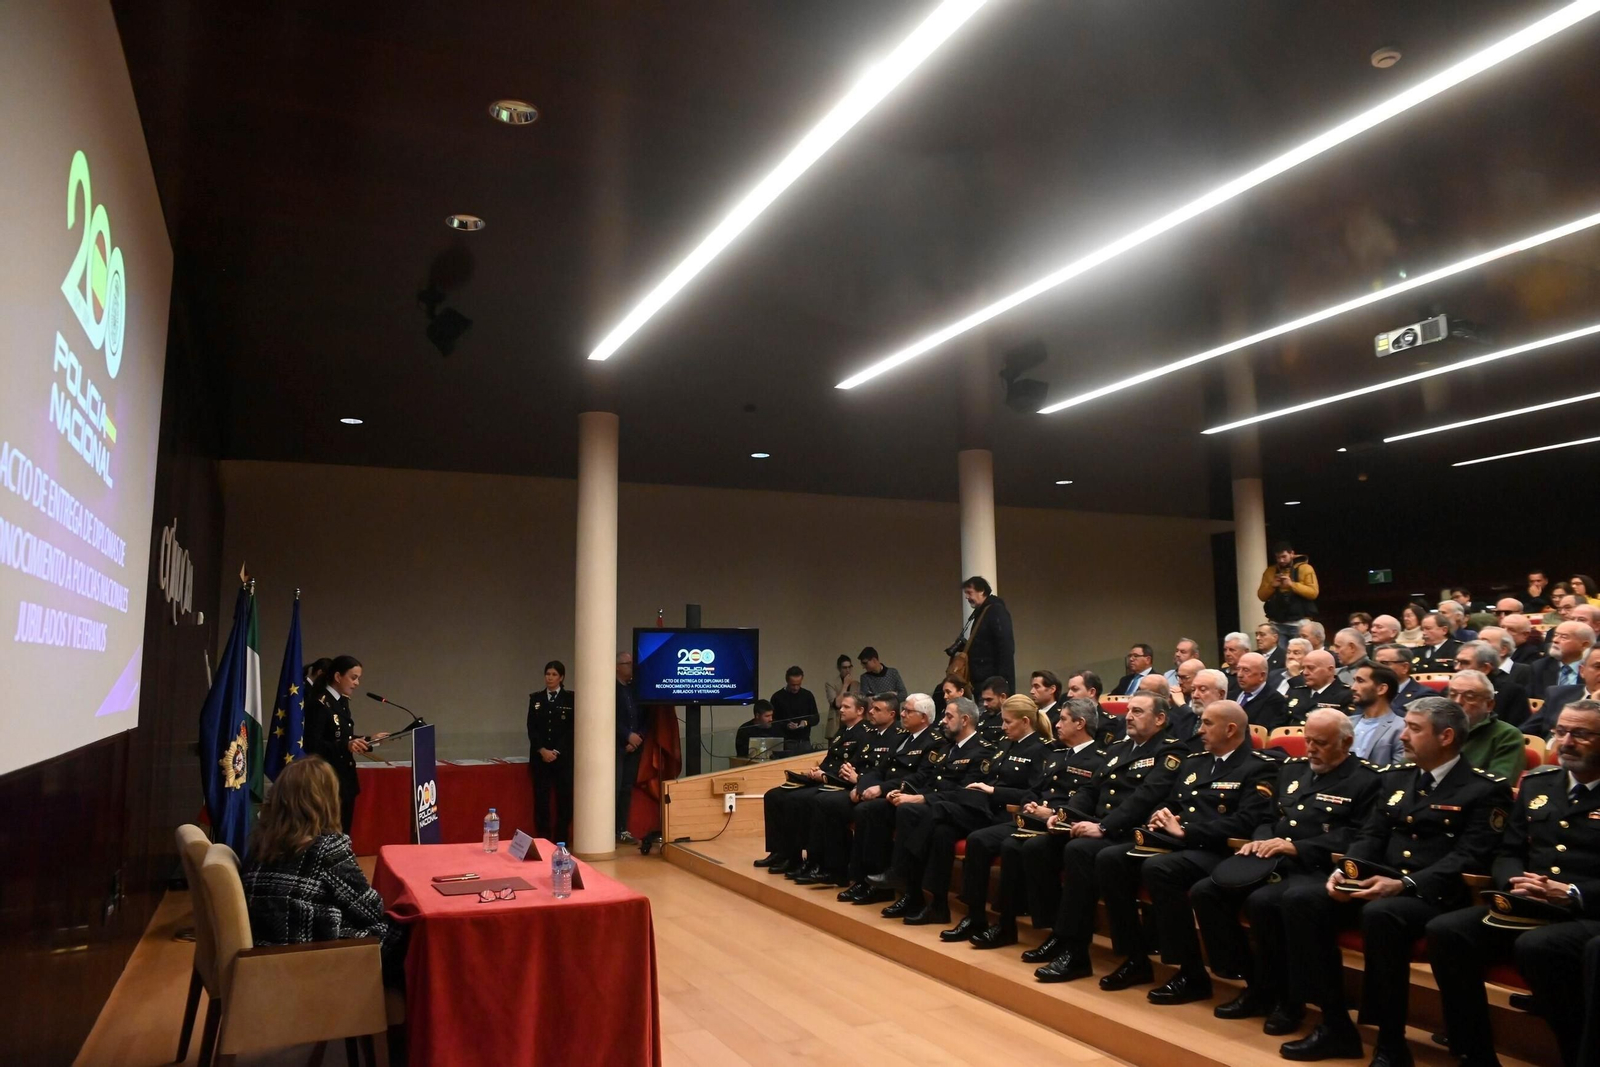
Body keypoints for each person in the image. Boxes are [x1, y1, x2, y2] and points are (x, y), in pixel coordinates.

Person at [1277, 698, 1512, 1064]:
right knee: (1301, 901)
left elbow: (1469, 856)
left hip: (1434, 893)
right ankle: (1335, 1026)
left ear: (1446, 736)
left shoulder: (1483, 788)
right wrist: (1348, 871)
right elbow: (1371, 835)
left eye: (1414, 729)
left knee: (1382, 917)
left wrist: (1406, 885)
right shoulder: (1396, 778)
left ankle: (1390, 1043)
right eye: (1405, 727)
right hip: (1381, 885)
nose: (1403, 736)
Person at [1426, 699, 1600, 1067]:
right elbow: (1508, 850)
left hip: (1586, 911)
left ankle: (1575, 1054)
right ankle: (1474, 1051)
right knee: (1447, 931)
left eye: (1581, 734)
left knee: (1539, 946)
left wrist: (1571, 892)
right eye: (1561, 732)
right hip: (1528, 901)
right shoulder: (1541, 783)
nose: (1567, 742)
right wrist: (1514, 882)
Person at [1191, 709, 1380, 1032]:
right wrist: (1262, 840)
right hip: (1275, 859)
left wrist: (1298, 847)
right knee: (1207, 891)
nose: (1310, 749)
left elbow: (1360, 834)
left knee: (1266, 902)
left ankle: (1290, 1000)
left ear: (1346, 742)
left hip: (1320, 867)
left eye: (1320, 743)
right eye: (1307, 740)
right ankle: (1254, 982)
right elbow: (1267, 818)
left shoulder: (1366, 779)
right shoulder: (1293, 770)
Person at [1095, 700, 1279, 1003]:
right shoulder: (1196, 762)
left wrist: (1187, 830)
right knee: (1112, 858)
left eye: (1207, 723)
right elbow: (1178, 802)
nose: (1199, 729)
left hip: (1221, 849)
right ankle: (1135, 957)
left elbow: (1249, 820)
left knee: (1161, 869)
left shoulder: (1258, 767)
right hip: (1184, 843)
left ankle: (1191, 972)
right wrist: (1165, 815)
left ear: (1231, 729)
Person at [1031, 692, 1189, 981]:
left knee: (1089, 853)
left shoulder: (1170, 752)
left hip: (1139, 833)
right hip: (1109, 828)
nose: (1128, 716)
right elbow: (1091, 789)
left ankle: (1109, 955)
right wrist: (1064, 815)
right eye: (1128, 710)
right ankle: (1064, 939)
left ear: (1160, 719)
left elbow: (1146, 797)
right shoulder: (1119, 748)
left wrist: (1103, 828)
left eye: (1138, 711)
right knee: (1046, 843)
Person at [243, 757, 408, 987]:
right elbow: (371, 911)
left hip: (268, 957)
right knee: (412, 935)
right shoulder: (326, 849)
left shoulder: (260, 843)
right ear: (327, 801)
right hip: (313, 961)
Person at [962, 697, 1107, 949]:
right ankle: (995, 922)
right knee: (980, 839)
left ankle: (1045, 929)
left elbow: (1089, 801)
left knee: (1016, 847)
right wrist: (1031, 804)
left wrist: (1051, 811)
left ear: (1080, 723)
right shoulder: (1059, 754)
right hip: (1035, 818)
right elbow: (1035, 789)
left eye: (1063, 719)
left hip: (1062, 823)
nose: (1056, 724)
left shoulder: (1099, 759)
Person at [868, 697, 996, 925]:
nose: (943, 721)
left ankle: (900, 872)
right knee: (940, 833)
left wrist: (921, 798)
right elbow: (931, 781)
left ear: (965, 720)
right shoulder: (948, 748)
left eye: (949, 716)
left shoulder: (983, 751)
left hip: (969, 812)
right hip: (943, 812)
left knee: (912, 811)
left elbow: (964, 793)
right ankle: (933, 904)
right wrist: (903, 791)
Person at [839, 694, 942, 904]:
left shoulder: (934, 741)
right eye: (903, 710)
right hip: (890, 792)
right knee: (861, 809)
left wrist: (882, 788)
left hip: (907, 796)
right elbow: (881, 768)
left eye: (908, 711)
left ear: (923, 717)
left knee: (868, 811)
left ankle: (878, 883)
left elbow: (921, 777)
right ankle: (863, 878)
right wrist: (862, 785)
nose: (902, 714)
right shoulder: (903, 737)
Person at [755, 693, 871, 875]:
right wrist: (818, 771)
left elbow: (852, 765)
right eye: (842, 706)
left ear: (860, 710)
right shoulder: (843, 731)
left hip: (839, 783)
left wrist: (825, 775)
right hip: (826, 777)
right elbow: (831, 759)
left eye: (846, 707)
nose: (841, 709)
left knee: (798, 799)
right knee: (774, 795)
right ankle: (779, 851)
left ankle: (805, 858)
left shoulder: (864, 733)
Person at [796, 694, 902, 887]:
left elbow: (887, 772)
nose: (871, 711)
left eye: (877, 709)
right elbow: (858, 763)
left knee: (828, 802)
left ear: (891, 714)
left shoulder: (897, 736)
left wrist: (858, 781)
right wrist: (851, 774)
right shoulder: (873, 734)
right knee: (823, 801)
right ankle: (828, 866)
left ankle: (843, 871)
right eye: (872, 708)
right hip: (862, 786)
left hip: (877, 791)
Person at [303, 654, 385, 834]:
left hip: (344, 778)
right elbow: (312, 744)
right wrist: (345, 746)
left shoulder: (341, 702)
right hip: (327, 779)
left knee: (344, 830)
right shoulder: (319, 703)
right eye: (353, 678)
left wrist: (370, 740)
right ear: (338, 676)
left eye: (358, 679)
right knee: (329, 831)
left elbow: (342, 736)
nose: (357, 683)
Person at [527, 660, 575, 842]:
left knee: (564, 801)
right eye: (548, 674)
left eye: (554, 674)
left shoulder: (570, 699)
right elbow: (532, 727)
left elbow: (571, 729)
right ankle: (543, 839)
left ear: (561, 677)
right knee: (541, 801)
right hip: (540, 759)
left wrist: (556, 751)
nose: (550, 678)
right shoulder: (536, 699)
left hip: (562, 759)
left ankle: (561, 839)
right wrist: (542, 750)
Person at [1524, 646, 1600, 739]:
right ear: (1582, 671)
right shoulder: (1558, 694)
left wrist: (1596, 704)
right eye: (1598, 667)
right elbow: (1525, 732)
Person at [957, 576, 1016, 692]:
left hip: (991, 683)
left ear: (982, 591)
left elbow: (1005, 647)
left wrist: (1001, 682)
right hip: (985, 681)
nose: (967, 597)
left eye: (969, 592)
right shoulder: (985, 612)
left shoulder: (995, 611)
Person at [1455, 639, 1531, 728]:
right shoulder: (1448, 690)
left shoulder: (1512, 692)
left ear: (1485, 668)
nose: (1457, 668)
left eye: (1464, 663)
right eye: (1456, 662)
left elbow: (1516, 730)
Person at [1259, 541, 1320, 648]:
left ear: (1292, 554)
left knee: (1300, 653)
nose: (1281, 560)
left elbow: (1313, 593)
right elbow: (1261, 596)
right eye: (1278, 557)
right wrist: (1272, 586)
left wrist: (1292, 585)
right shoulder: (1270, 571)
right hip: (1277, 623)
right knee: (1280, 657)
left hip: (1300, 622)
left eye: (1284, 556)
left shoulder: (1305, 568)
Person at [1350, 664, 1406, 767]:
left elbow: (1398, 775)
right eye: (1354, 681)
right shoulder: (1346, 723)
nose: (1353, 687)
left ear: (1381, 689)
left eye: (1360, 681)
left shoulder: (1401, 728)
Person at [615, 651, 643, 842]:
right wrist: (627, 736)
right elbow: (611, 718)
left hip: (635, 746)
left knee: (626, 788)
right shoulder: (611, 689)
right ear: (617, 666)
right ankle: (607, 831)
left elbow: (645, 716)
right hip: (616, 746)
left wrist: (638, 737)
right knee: (613, 789)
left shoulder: (635, 689)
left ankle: (622, 829)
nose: (631, 667)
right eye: (627, 663)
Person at [1284, 650, 1353, 724]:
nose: (1305, 673)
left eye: (1311, 668)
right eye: (1303, 668)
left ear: (1330, 670)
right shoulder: (1296, 691)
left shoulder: (1346, 695)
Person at [1530, 621, 1596, 698]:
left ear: (1584, 645)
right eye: (1555, 635)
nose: (1555, 640)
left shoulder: (1594, 669)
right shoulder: (1540, 666)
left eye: (1564, 637)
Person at [1372, 642, 1436, 711]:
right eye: (1374, 663)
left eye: (1385, 663)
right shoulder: (1367, 691)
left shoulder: (1424, 696)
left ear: (1405, 667)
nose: (1376, 667)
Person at [770, 666, 820, 753]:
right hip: (785, 742)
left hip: (804, 741)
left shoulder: (807, 695)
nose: (796, 688)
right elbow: (773, 721)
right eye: (793, 685)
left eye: (798, 684)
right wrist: (786, 725)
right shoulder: (777, 697)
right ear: (787, 681)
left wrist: (806, 722)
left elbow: (816, 717)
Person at [1234, 652, 1288, 731]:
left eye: (1246, 670)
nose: (1239, 675)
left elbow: (1261, 731)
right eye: (1238, 669)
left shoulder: (1275, 700)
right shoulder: (1232, 694)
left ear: (1262, 676)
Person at [824, 654, 857, 740]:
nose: (848, 670)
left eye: (850, 667)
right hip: (836, 723)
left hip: (852, 724)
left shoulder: (856, 684)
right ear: (839, 668)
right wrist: (845, 685)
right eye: (845, 668)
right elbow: (837, 704)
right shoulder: (830, 684)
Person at [976, 675, 1009, 743]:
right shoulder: (983, 717)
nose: (985, 704)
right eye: (983, 700)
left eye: (989, 700)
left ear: (1003, 697)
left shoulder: (1010, 720)